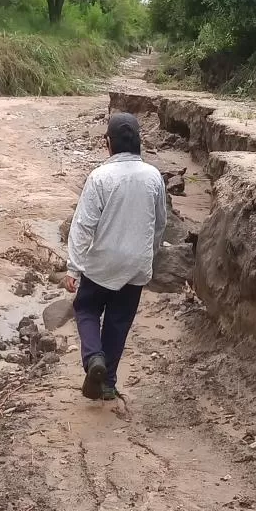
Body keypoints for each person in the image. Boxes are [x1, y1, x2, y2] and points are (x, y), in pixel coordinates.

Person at [65, 112, 167, 401]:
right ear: (139, 142)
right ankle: (107, 383)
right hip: (136, 266)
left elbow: (83, 225)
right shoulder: (154, 177)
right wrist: (151, 254)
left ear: (107, 143)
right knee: (118, 323)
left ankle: (94, 358)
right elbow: (160, 223)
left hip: (101, 265)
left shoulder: (99, 177)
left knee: (85, 309)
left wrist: (73, 268)